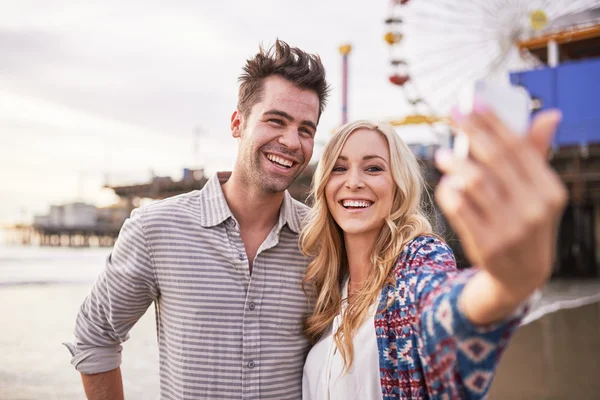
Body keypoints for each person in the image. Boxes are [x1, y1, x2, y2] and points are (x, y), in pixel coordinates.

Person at [65, 39, 330, 400]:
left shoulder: (322, 238)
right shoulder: (154, 229)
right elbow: (95, 335)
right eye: (275, 121)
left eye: (306, 129)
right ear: (238, 123)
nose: (291, 141)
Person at [300, 107, 566, 399]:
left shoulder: (419, 257)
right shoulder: (325, 284)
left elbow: (440, 306)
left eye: (373, 168)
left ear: (398, 184)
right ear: (324, 184)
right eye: (339, 168)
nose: (353, 182)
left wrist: (506, 284)